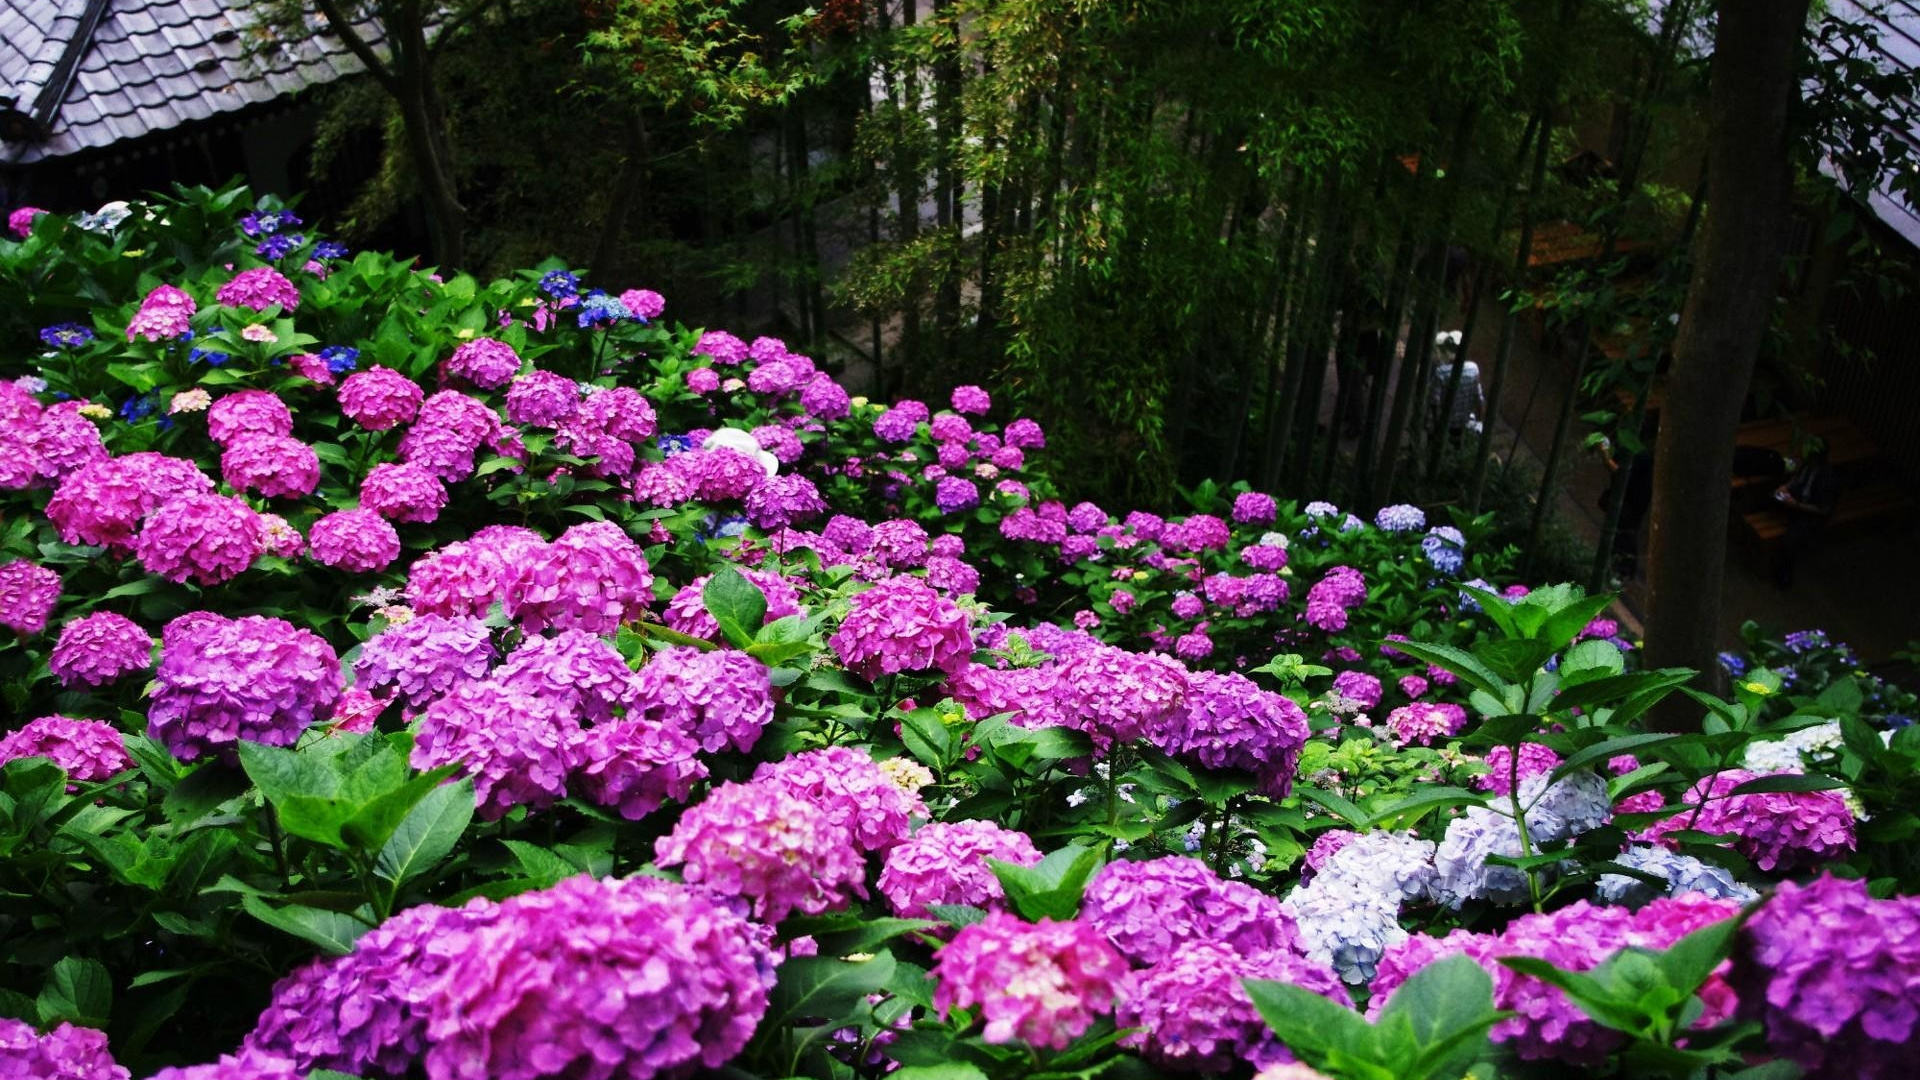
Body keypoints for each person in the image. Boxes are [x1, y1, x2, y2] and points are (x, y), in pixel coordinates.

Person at [1772, 444, 1837, 589]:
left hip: (1809, 515)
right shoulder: (1807, 466)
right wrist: (1785, 487)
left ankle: (1784, 580)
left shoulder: (1826, 478)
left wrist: (1797, 505)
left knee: (1789, 543)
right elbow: (1796, 479)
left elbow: (1823, 509)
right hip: (1796, 502)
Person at [1427, 330, 1483, 438]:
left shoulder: (1441, 372)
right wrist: (1480, 423)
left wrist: (1435, 425)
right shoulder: (1473, 369)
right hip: (1464, 424)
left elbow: (1434, 403)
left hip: (1445, 424)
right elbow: (1479, 399)